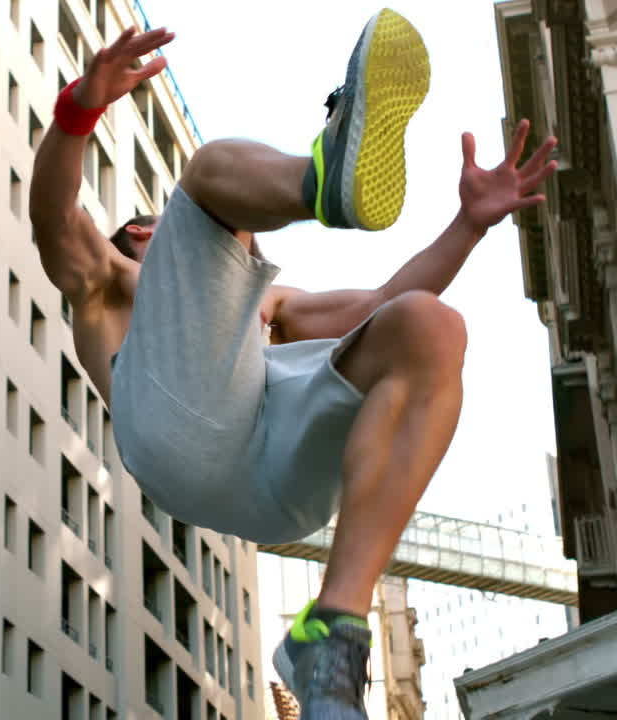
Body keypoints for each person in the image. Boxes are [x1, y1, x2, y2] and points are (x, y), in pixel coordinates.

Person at [28, 8, 557, 720]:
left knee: (429, 330)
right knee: (211, 172)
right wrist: (78, 108)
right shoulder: (107, 286)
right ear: (142, 240)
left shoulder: (269, 307)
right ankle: (321, 178)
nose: (187, 244)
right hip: (175, 443)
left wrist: (466, 225)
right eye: (163, 235)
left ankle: (332, 637)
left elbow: (386, 298)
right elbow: (54, 221)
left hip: (285, 490)